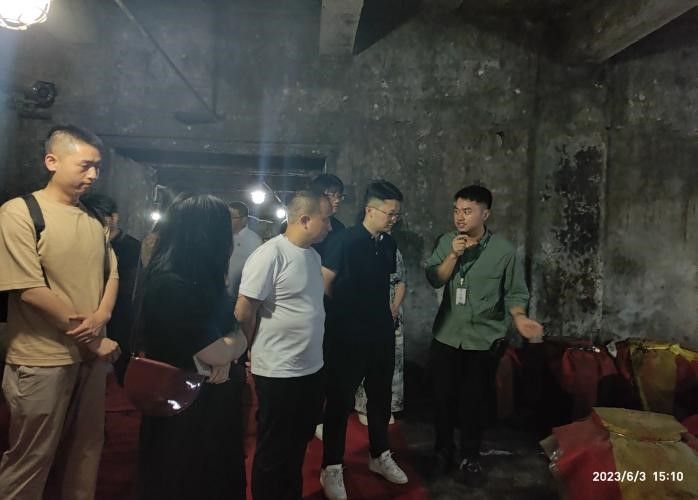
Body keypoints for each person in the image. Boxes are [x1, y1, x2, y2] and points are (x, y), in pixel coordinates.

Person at [0, 124, 121, 500]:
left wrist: (101, 319)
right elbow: (30, 289)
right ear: (52, 161)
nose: (94, 175)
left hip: (90, 358)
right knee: (31, 458)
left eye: (97, 167)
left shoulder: (93, 220)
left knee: (86, 452)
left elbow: (111, 274)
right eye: (85, 165)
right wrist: (93, 338)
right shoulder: (20, 213)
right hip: (42, 359)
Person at [425, 185, 543, 485]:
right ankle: (442, 451)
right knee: (442, 399)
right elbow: (434, 278)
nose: (460, 217)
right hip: (447, 335)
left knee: (473, 402)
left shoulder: (504, 251)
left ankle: (470, 457)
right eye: (456, 210)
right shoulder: (446, 241)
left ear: (485, 214)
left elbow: (515, 292)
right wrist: (453, 255)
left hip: (483, 340)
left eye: (467, 211)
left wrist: (519, 317)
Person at [137, 194, 248, 499]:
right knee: (184, 479)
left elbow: (235, 335)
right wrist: (228, 349)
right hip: (183, 406)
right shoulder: (172, 284)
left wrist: (228, 347)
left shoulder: (203, 280)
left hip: (208, 401)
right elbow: (220, 347)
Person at [235, 191, 332, 500]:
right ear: (305, 220)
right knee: (274, 447)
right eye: (325, 219)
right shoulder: (270, 255)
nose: (330, 226)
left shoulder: (313, 256)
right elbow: (245, 310)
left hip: (311, 367)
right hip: (278, 370)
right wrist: (246, 350)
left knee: (298, 442)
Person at [320, 180, 408, 500]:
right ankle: (331, 465)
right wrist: (343, 318)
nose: (394, 219)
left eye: (396, 214)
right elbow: (325, 283)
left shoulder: (388, 243)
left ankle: (379, 454)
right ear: (370, 210)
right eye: (390, 213)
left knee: (380, 398)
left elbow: (390, 283)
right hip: (347, 335)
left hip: (380, 333)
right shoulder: (343, 241)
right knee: (340, 401)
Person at [81, 192, 141, 384]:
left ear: (113, 218)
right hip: (90, 310)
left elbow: (131, 285)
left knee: (118, 364)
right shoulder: (85, 244)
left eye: (97, 218)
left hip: (120, 313)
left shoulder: (132, 247)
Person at [355, 243, 406, 424]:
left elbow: (401, 281)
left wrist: (394, 307)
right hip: (366, 310)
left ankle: (388, 406)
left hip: (391, 311)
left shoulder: (393, 249)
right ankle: (363, 407)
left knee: (392, 360)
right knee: (366, 359)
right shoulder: (357, 247)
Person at [226, 201, 262, 302]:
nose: (227, 220)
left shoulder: (254, 241)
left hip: (239, 296)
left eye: (231, 217)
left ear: (244, 219)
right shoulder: (222, 236)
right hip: (220, 293)